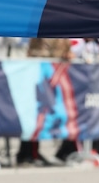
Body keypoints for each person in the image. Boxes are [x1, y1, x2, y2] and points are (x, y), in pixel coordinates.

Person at [16, 38, 73, 167]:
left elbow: (65, 49)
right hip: (40, 73)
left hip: (51, 74)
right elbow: (35, 52)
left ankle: (33, 152)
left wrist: (65, 54)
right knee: (34, 114)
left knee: (44, 115)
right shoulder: (40, 30)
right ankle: (27, 153)